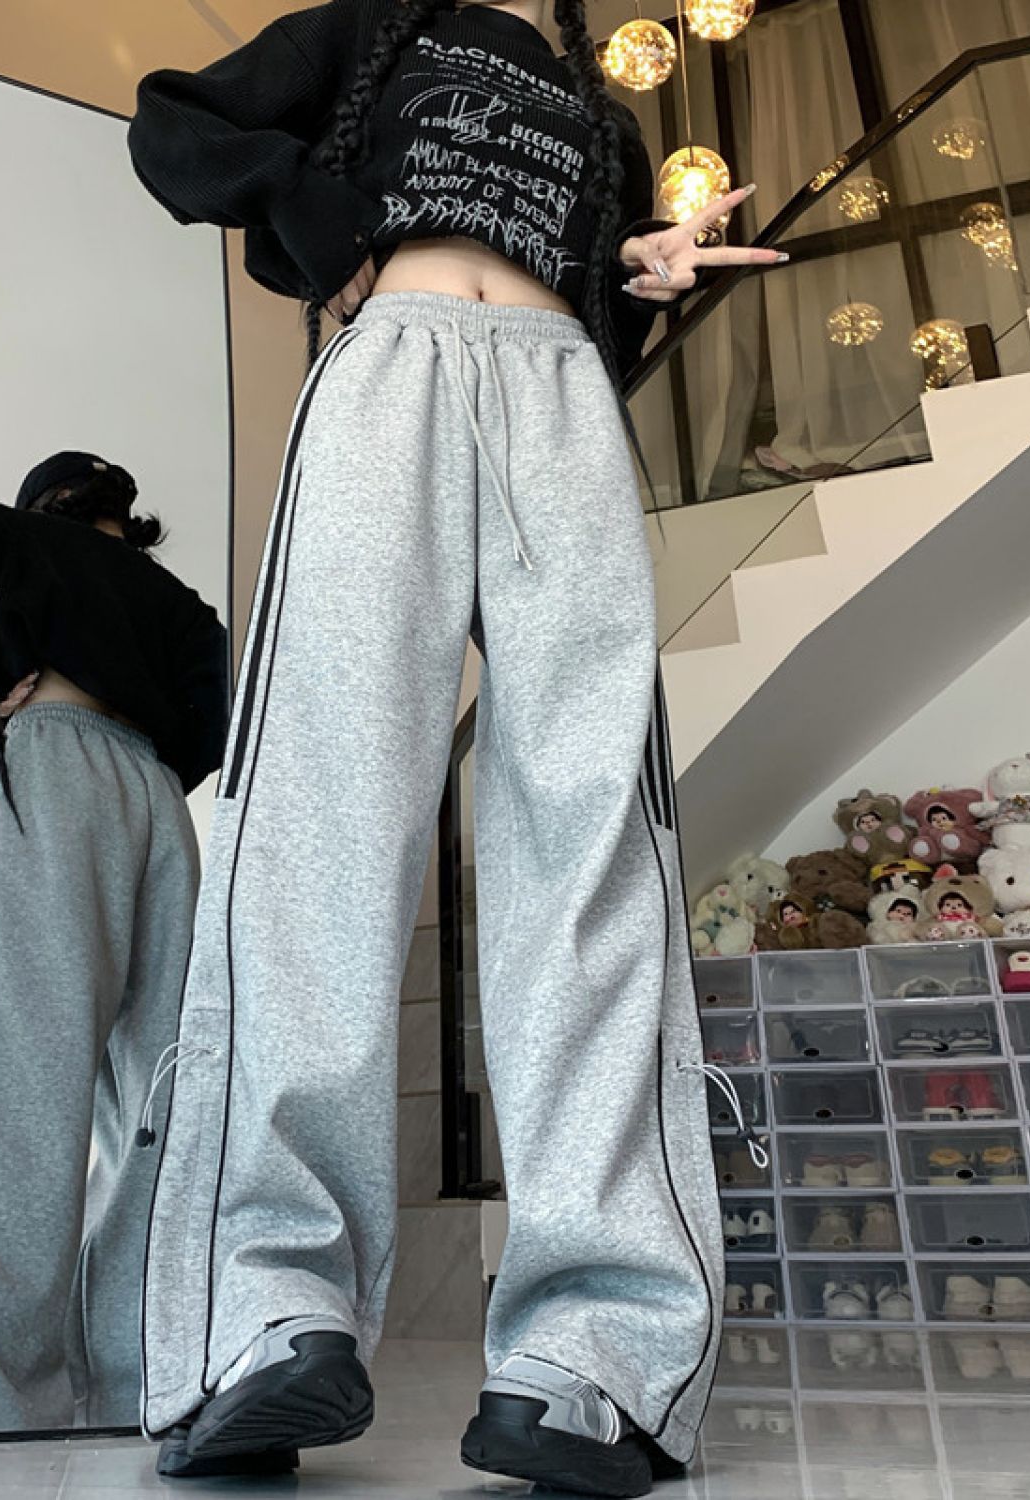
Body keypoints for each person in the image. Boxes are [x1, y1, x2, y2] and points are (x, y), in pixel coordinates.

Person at [128, 3, 784, 1493]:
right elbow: (177, 123)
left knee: (592, 850)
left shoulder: (600, 111)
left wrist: (637, 276)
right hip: (393, 370)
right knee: (318, 826)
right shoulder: (373, 26)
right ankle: (264, 1318)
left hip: (564, 403)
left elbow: (599, 310)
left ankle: (593, 1356)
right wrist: (325, 229)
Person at [0, 452, 229, 1436]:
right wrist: (156, 768)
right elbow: (224, 708)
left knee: (15, 1079)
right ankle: (151, 1381)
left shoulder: (37, 542)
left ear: (47, 504)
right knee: (167, 1098)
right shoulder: (175, 600)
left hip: (59, 761)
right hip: (156, 803)